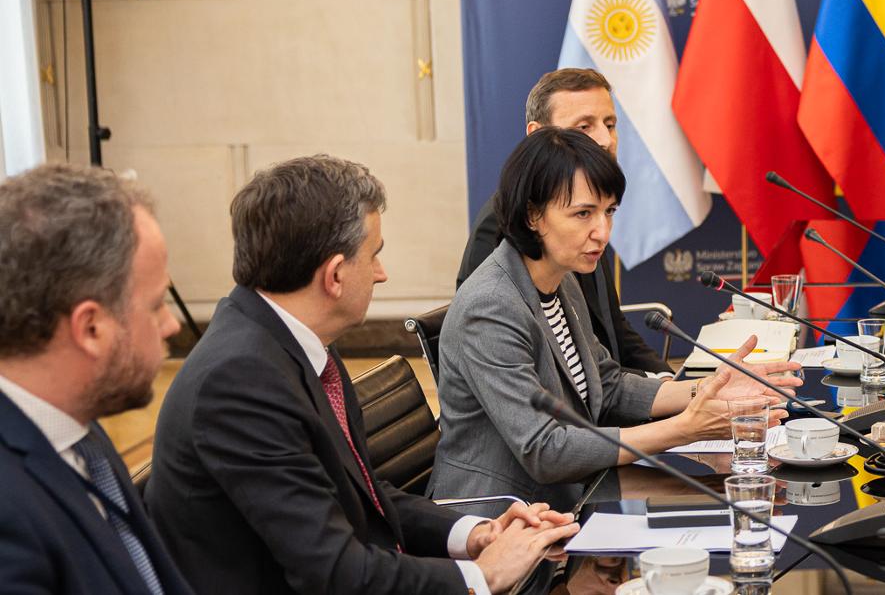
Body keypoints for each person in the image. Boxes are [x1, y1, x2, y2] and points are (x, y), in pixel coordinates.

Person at [145, 156, 577, 595]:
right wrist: (483, 576)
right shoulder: (240, 383)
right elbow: (333, 573)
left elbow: (362, 497)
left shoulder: (291, 341)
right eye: (374, 255)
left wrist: (477, 533)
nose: (381, 274)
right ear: (334, 276)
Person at [433, 128, 801, 507]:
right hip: (498, 512)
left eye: (608, 211)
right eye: (583, 214)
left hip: (572, 492)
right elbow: (544, 450)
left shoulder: (562, 278)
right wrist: (684, 428)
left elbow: (606, 386)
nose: (603, 232)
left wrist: (707, 388)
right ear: (533, 216)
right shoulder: (490, 307)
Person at [0, 165, 194, 594]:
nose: (172, 325)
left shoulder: (79, 428)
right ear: (91, 328)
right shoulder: (9, 517)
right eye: (157, 305)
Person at [459, 68, 669, 374]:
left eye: (610, 125)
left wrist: (669, 381)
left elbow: (613, 331)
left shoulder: (591, 217)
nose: (605, 140)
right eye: (584, 127)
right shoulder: (501, 226)